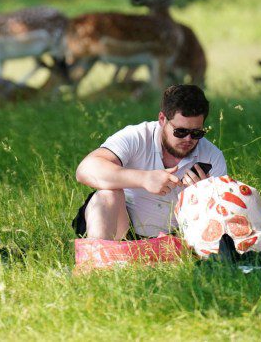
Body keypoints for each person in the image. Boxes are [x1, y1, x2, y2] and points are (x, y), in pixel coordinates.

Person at [73, 84, 227, 240]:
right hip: (123, 229)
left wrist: (205, 196)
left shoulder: (212, 156)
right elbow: (85, 170)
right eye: (180, 131)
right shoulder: (137, 137)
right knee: (108, 193)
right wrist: (144, 178)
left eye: (196, 133)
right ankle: (96, 259)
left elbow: (222, 216)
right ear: (162, 119)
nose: (188, 139)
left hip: (177, 238)